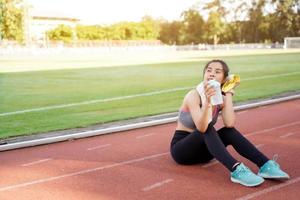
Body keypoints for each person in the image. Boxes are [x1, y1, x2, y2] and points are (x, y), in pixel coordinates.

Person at [170, 59, 290, 187]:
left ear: (223, 79)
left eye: (217, 72)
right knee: (207, 127)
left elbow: (230, 124)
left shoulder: (220, 97)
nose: (211, 74)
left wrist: (228, 94)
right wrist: (207, 103)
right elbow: (201, 127)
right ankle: (236, 169)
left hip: (205, 153)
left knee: (228, 132)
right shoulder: (193, 95)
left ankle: (265, 165)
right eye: (208, 70)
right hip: (182, 151)